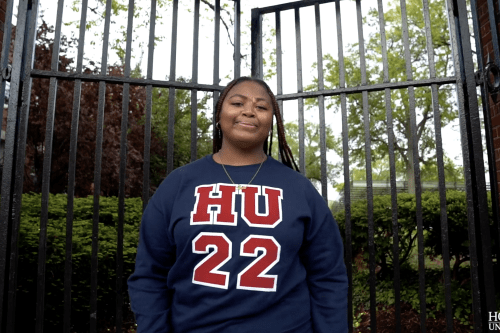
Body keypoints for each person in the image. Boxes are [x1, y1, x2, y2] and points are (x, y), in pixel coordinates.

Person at [127, 77, 348, 333]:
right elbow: (149, 275)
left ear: (271, 121)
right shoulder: (178, 184)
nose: (249, 111)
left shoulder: (299, 189)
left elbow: (328, 277)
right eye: (237, 102)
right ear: (220, 113)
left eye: (262, 107)